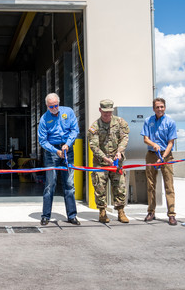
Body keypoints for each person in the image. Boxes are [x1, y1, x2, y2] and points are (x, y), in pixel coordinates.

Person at [37, 93, 80, 226]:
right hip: (52, 152)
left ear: (59, 103)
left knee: (69, 184)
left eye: (56, 105)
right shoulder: (44, 119)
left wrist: (68, 143)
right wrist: (56, 151)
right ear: (47, 106)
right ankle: (45, 216)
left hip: (68, 149)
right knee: (50, 185)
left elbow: (75, 130)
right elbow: (42, 141)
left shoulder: (68, 112)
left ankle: (72, 216)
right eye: (51, 106)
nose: (54, 108)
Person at [87, 99, 130, 223]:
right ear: (100, 110)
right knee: (100, 187)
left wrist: (119, 152)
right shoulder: (95, 126)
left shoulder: (120, 122)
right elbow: (94, 146)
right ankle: (102, 212)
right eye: (105, 112)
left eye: (110, 112)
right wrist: (105, 158)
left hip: (117, 162)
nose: (107, 115)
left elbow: (124, 138)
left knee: (120, 186)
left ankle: (121, 211)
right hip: (101, 163)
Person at [141, 97, 178, 226]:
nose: (159, 109)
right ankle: (151, 211)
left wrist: (162, 157)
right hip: (151, 155)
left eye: (162, 106)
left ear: (165, 107)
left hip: (166, 156)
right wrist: (153, 144)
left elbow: (171, 143)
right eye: (157, 107)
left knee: (169, 185)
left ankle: (172, 214)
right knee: (151, 185)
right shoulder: (148, 121)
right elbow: (145, 139)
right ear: (153, 108)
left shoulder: (170, 122)